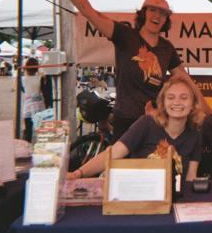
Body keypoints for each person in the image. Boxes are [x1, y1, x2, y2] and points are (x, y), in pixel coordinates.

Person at [45, 0, 208, 141]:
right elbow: (88, 11)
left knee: (155, 169)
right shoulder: (124, 35)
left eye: (162, 13)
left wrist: (209, 111)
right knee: (124, 170)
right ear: (143, 13)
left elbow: (185, 79)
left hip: (155, 120)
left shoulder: (166, 47)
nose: (157, 15)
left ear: (166, 20)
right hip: (126, 120)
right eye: (152, 10)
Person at [68, 74, 204, 181]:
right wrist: (78, 174)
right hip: (141, 198)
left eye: (184, 97)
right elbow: (112, 154)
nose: (177, 102)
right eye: (171, 97)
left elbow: (190, 177)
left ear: (193, 104)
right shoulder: (147, 124)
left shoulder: (195, 132)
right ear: (163, 102)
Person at [22, 57, 46, 140]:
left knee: (28, 129)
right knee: (41, 130)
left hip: (28, 106)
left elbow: (23, 90)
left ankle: (26, 147)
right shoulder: (40, 78)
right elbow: (44, 91)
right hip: (39, 106)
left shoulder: (22, 79)